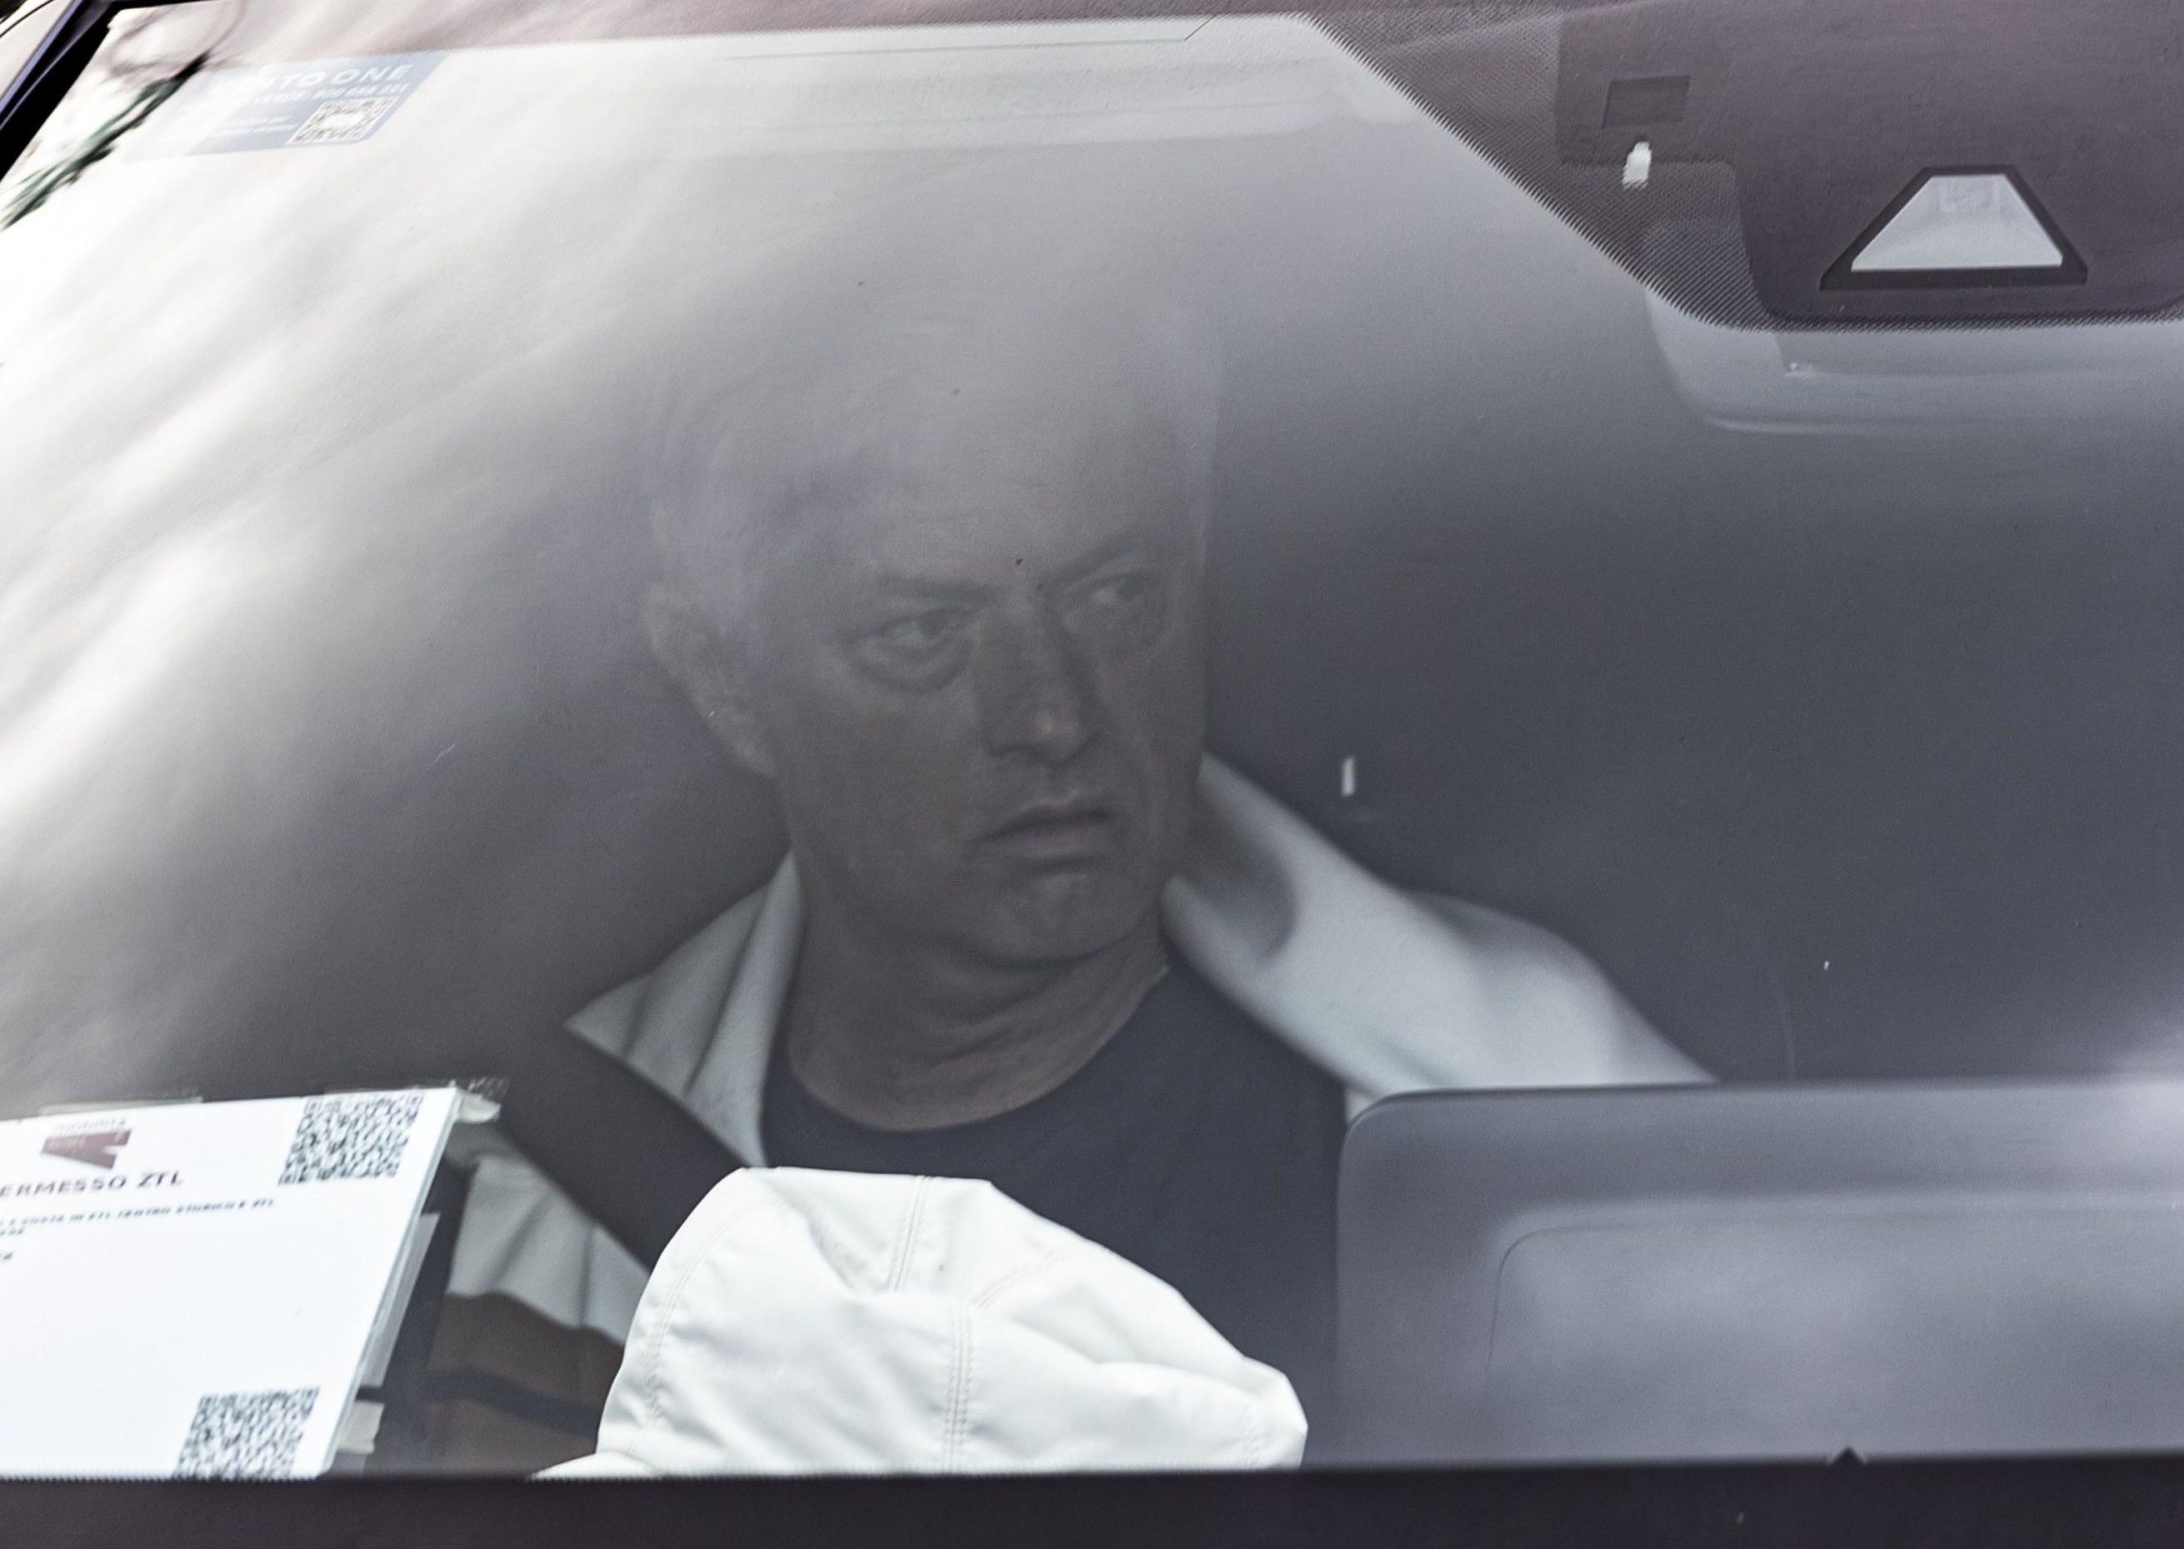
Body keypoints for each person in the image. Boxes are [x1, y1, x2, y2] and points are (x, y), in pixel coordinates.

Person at [424, 210, 1705, 1474]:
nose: (1051, 713)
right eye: (923, 631)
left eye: (1114, 594)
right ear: (723, 682)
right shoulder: (508, 1215)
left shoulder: (1543, 1102)